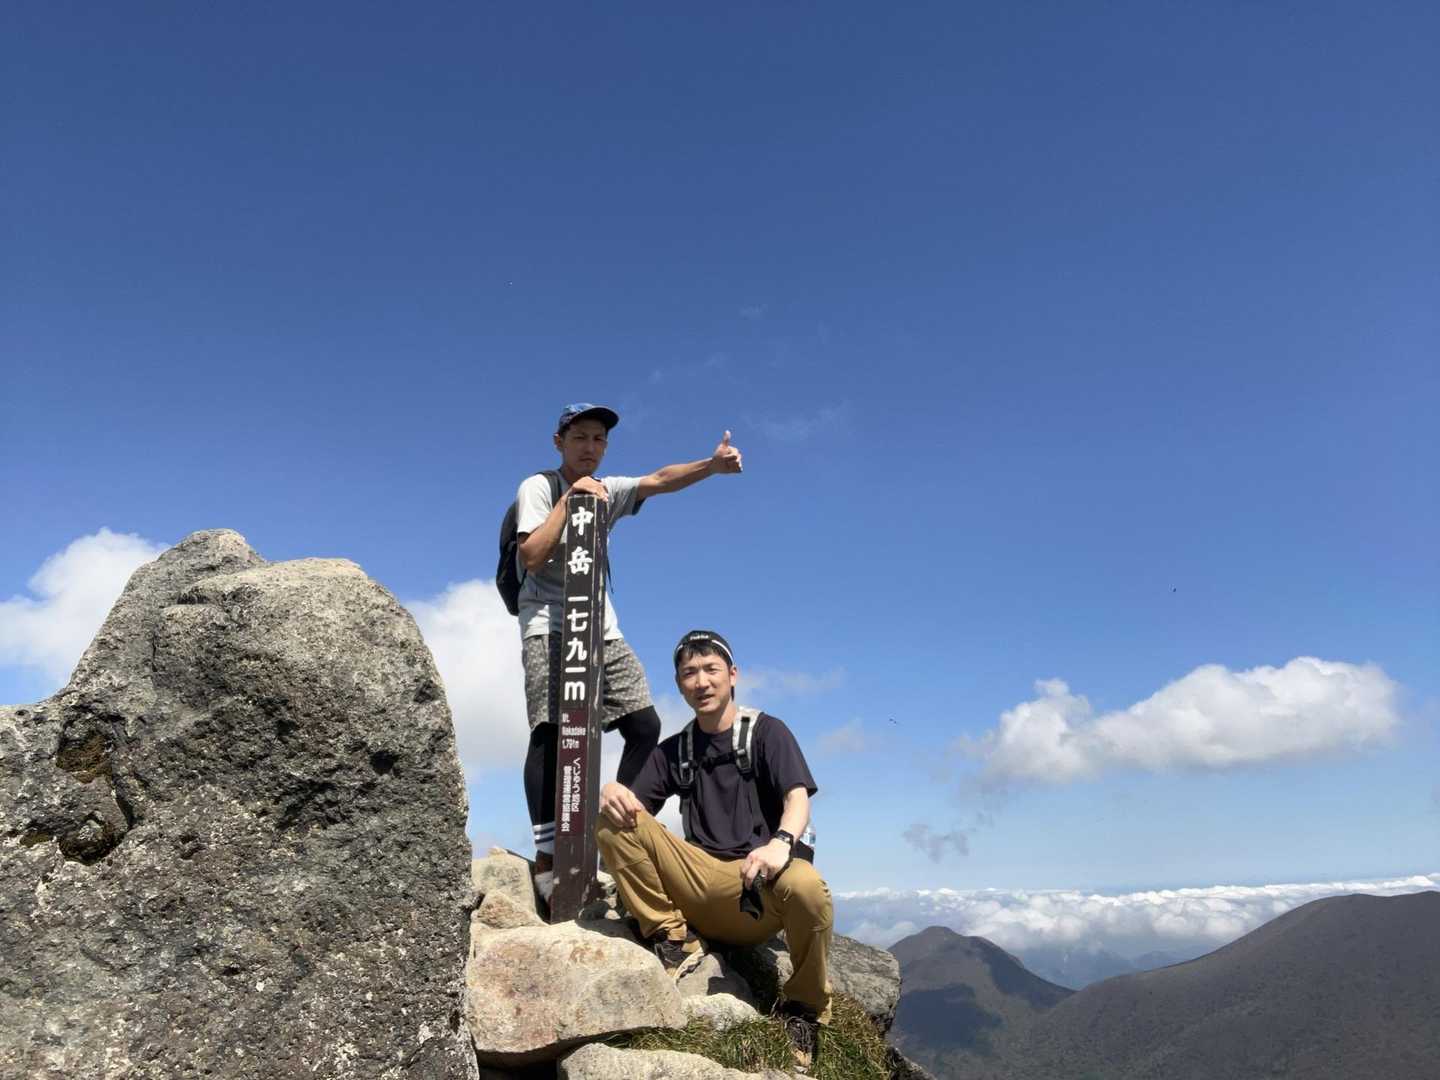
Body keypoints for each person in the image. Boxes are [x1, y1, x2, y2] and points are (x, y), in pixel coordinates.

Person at [515, 404, 743, 892]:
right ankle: (547, 856)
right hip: (548, 624)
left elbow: (658, 480)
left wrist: (712, 465)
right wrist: (570, 500)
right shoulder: (539, 487)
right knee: (550, 731)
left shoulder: (609, 490)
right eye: (580, 437)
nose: (590, 447)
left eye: (598, 439)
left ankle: (616, 831)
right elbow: (531, 555)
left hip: (601, 628)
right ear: (559, 442)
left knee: (644, 723)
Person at [596, 629, 832, 1073]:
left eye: (711, 669)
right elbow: (634, 814)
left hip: (756, 885)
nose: (701, 682)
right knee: (613, 818)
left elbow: (797, 797)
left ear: (733, 675)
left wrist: (781, 843)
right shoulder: (676, 751)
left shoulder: (767, 732)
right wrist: (613, 790)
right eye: (690, 673)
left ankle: (803, 1009)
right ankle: (672, 938)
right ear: (679, 683)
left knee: (808, 886)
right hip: (699, 882)